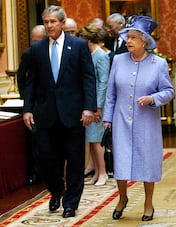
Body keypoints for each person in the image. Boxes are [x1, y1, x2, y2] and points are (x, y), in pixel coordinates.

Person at [23, 5, 97, 218]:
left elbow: (88, 78)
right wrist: (27, 109)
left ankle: (70, 203)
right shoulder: (36, 50)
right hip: (45, 114)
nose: (49, 25)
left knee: (74, 160)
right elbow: (31, 82)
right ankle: (57, 191)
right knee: (46, 158)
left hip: (73, 113)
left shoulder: (79, 45)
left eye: (53, 21)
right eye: (46, 22)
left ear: (62, 23)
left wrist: (89, 107)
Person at [103, 16, 174, 221]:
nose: (128, 41)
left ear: (144, 40)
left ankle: (148, 202)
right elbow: (111, 94)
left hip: (147, 122)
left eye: (133, 37)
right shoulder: (118, 60)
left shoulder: (158, 63)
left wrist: (153, 98)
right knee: (121, 162)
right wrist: (108, 119)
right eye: (127, 37)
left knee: (147, 162)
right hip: (121, 120)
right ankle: (122, 198)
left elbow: (169, 91)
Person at [78, 23, 110, 186]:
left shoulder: (101, 56)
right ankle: (96, 172)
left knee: (97, 140)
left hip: (99, 105)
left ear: (89, 39)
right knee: (91, 140)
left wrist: (98, 107)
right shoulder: (91, 54)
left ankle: (103, 173)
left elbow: (103, 82)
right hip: (90, 104)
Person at [17, 25, 46, 185]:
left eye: (38, 41)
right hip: (34, 105)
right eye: (33, 41)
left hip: (51, 104)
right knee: (34, 141)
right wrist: (26, 100)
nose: (35, 44)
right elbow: (21, 77)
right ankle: (35, 172)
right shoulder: (28, 54)